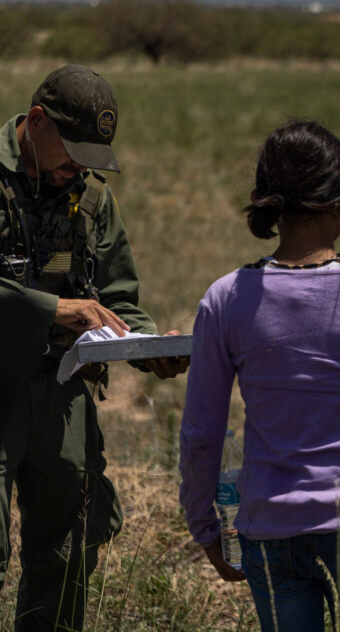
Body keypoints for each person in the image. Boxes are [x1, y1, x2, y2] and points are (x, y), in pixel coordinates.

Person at [179, 120, 340, 632]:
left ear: (272, 204)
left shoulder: (226, 300)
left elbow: (202, 430)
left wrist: (204, 527)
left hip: (271, 526)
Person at [0, 64, 188, 631]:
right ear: (36, 122)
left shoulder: (92, 199)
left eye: (91, 155)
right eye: (72, 151)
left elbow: (118, 299)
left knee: (66, 551)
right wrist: (52, 310)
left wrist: (148, 344)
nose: (77, 167)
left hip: (62, 394)